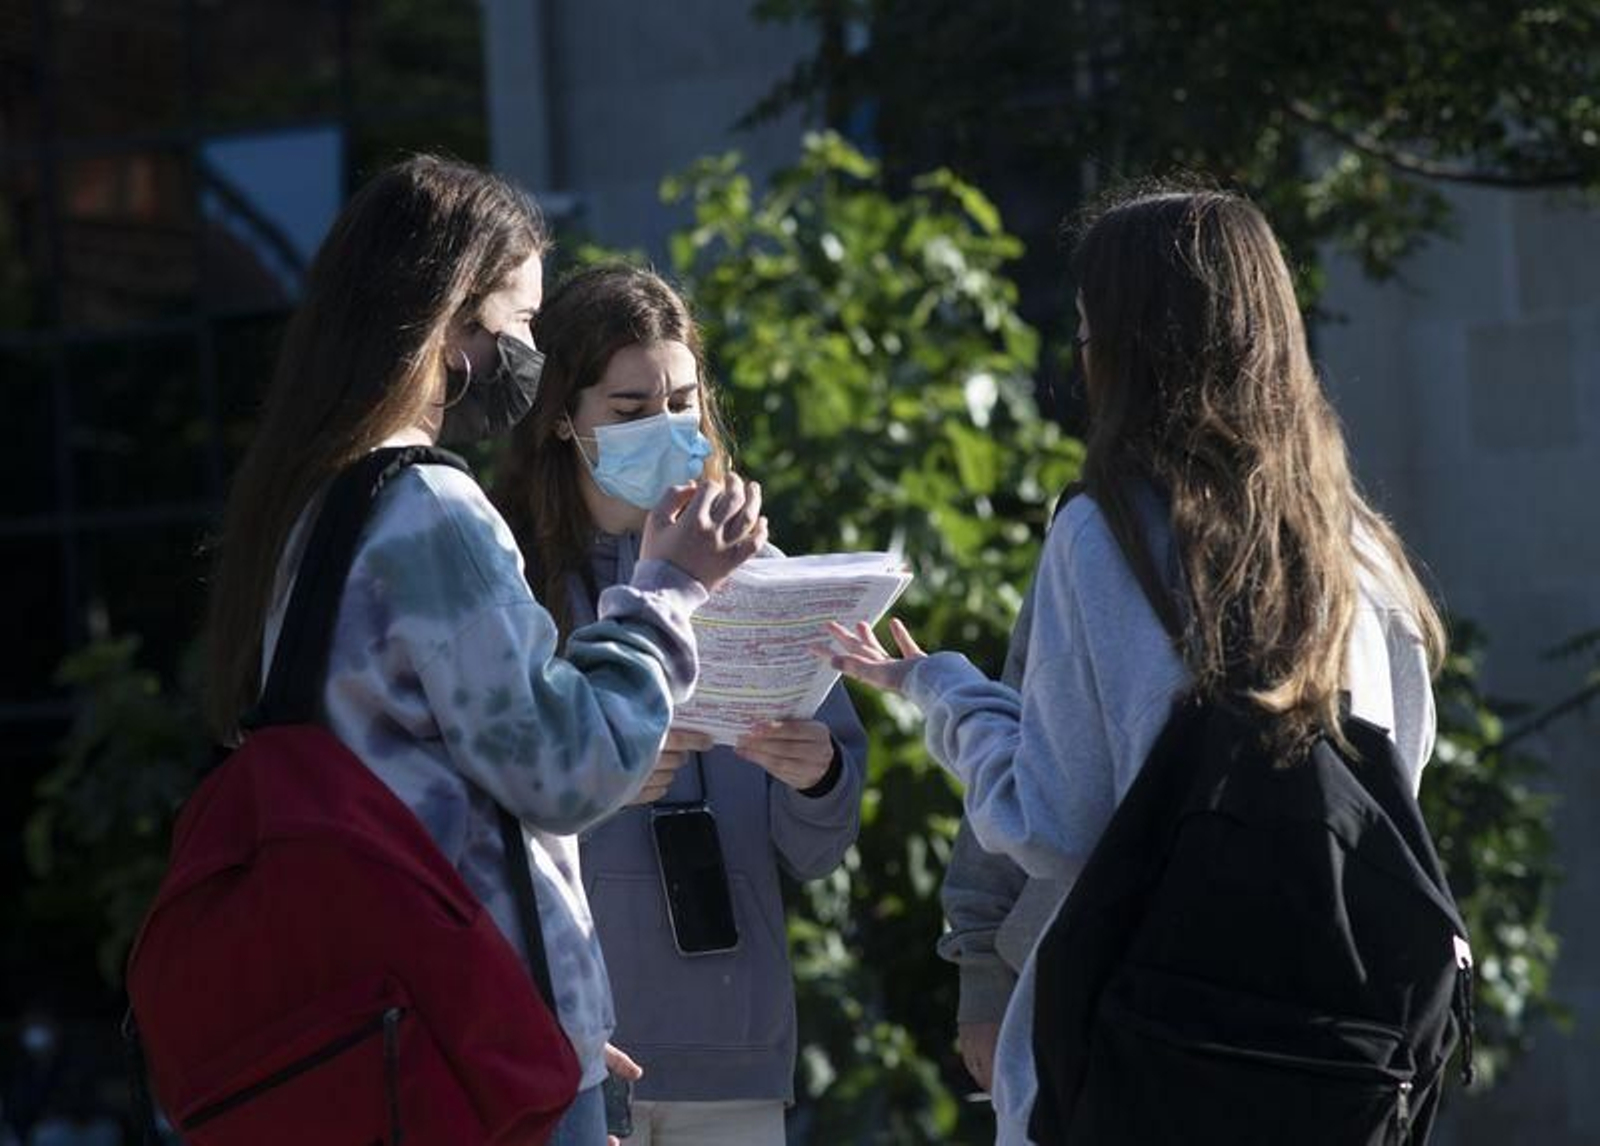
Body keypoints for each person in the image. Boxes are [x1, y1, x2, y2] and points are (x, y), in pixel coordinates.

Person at [821, 186, 1446, 1145]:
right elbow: (1394, 793)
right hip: (1337, 1071)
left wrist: (945, 693)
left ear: (1132, 347)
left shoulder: (1108, 536)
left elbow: (1058, 824)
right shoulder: (1361, 551)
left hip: (1147, 1059)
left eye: (1087, 330)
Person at [201, 156, 768, 1145]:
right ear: (451, 322)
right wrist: (667, 592)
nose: (529, 356)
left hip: (400, 1026)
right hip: (469, 1045)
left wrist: (553, 1007)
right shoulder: (428, 507)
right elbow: (564, 769)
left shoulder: (311, 506)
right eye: (520, 323)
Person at [492, 263, 867, 1146]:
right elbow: (465, 820)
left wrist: (819, 778)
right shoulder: (508, 584)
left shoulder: (760, 576)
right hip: (562, 1046)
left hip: (732, 1053)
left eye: (682, 403)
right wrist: (598, 785)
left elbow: (819, 850)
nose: (664, 429)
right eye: (630, 410)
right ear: (561, 417)